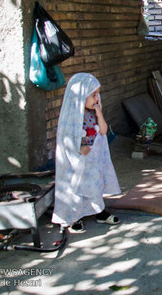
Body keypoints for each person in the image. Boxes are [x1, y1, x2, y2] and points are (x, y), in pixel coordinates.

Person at [52, 73, 121, 233]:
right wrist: (78, 148)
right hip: (78, 160)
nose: (97, 99)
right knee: (76, 186)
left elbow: (103, 131)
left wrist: (99, 114)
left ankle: (99, 211)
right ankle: (73, 216)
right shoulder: (72, 115)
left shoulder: (95, 113)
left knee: (94, 184)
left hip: (93, 159)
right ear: (81, 95)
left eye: (98, 94)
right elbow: (66, 138)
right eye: (93, 95)